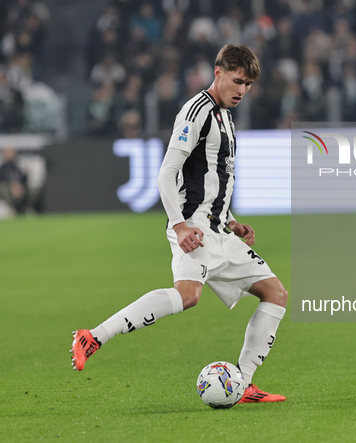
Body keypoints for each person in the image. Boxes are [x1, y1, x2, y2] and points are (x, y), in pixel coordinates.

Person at [71, 44, 289, 403]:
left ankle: (244, 383)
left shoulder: (225, 116)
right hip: (196, 227)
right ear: (218, 72)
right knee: (188, 296)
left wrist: (232, 222)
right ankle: (92, 336)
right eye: (237, 81)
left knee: (275, 294)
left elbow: (211, 179)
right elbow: (167, 174)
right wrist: (180, 225)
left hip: (219, 229)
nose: (242, 91)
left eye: (248, 85)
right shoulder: (196, 112)